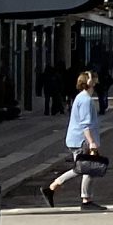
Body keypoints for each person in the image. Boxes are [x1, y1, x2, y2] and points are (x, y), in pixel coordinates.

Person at [45, 71, 107, 210]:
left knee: (84, 168)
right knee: (87, 168)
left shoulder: (82, 98)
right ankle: (85, 200)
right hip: (81, 140)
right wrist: (91, 142)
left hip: (78, 139)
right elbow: (86, 124)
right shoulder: (85, 100)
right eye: (93, 78)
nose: (96, 80)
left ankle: (53, 188)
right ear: (88, 82)